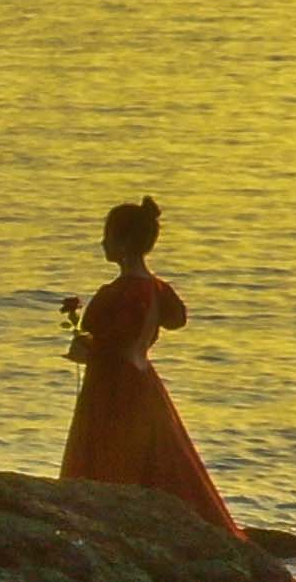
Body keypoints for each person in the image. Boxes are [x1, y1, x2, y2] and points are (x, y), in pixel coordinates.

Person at [55, 197, 234, 531]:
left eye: (108, 236)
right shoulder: (157, 288)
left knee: (109, 460)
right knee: (154, 459)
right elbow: (176, 320)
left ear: (123, 243)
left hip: (113, 387)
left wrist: (83, 347)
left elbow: (107, 343)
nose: (102, 243)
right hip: (144, 381)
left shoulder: (118, 292)